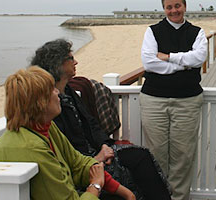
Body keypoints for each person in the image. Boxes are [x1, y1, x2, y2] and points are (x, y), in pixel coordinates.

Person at [31, 39, 171, 200]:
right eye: (71, 58)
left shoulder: (68, 91)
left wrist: (104, 145)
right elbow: (65, 150)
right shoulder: (49, 106)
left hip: (95, 152)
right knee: (137, 166)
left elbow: (91, 123)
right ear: (58, 64)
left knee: (141, 156)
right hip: (84, 162)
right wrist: (96, 158)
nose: (76, 61)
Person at [0, 66, 133, 200]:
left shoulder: (45, 127)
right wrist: (96, 185)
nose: (58, 93)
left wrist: (123, 192)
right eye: (52, 90)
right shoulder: (29, 148)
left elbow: (77, 163)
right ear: (40, 103)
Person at [140, 0, 208, 200]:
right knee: (156, 156)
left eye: (177, 5)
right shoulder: (152, 31)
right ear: (164, 9)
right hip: (154, 101)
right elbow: (149, 62)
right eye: (169, 7)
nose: (174, 10)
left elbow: (199, 58)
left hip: (187, 101)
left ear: (185, 6)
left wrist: (168, 57)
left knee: (183, 157)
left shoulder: (197, 33)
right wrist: (182, 64)